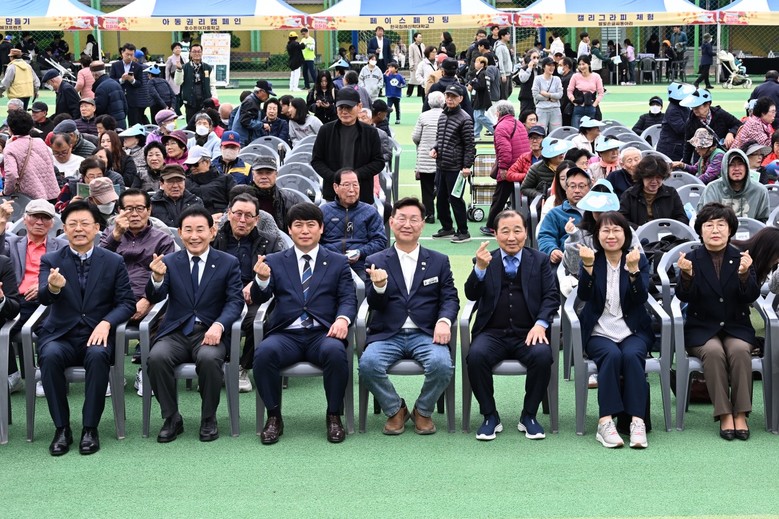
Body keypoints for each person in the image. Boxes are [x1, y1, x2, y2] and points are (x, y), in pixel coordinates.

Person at [252, 203, 358, 444]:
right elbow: (260, 298)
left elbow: (347, 298)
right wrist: (261, 280)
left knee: (335, 352)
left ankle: (333, 415)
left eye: (311, 225)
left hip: (322, 333)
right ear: (289, 229)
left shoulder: (337, 262)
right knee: (264, 353)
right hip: (286, 333)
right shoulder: (275, 260)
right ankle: (274, 417)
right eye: (298, 225)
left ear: (321, 229)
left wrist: (342, 319)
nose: (305, 230)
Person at [37, 201, 135, 456]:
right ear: (64, 229)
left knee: (98, 355)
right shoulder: (51, 259)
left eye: (84, 223)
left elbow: (127, 303)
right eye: (72, 224)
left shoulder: (113, 261)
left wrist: (106, 322)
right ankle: (62, 428)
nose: (78, 229)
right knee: (49, 356)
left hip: (96, 333)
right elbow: (44, 298)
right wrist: (54, 288)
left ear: (97, 228)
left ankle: (90, 428)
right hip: (61, 334)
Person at [359, 197, 458, 435]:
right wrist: (379, 287)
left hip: (426, 333)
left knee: (442, 365)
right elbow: (373, 303)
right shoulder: (375, 261)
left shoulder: (438, 261)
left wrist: (444, 321)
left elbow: (450, 298)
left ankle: (423, 410)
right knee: (368, 365)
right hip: (387, 333)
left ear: (422, 224)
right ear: (391, 222)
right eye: (401, 218)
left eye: (414, 219)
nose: (407, 224)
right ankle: (396, 409)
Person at [146, 205, 243, 443]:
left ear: (212, 231)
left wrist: (219, 325)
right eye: (188, 230)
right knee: (156, 358)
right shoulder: (170, 261)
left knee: (209, 359)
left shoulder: (228, 262)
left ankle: (208, 417)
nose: (194, 236)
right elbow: (156, 296)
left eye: (200, 230)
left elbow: (235, 301)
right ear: (180, 233)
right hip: (176, 331)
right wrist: (157, 278)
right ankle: (171, 418)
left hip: (209, 331)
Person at [464, 210, 557, 441]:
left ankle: (529, 415)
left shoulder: (540, 260)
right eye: (505, 231)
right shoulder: (485, 259)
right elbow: (471, 294)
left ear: (526, 233)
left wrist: (540, 324)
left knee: (542, 356)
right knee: (475, 356)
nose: (512, 237)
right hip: (492, 332)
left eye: (517, 230)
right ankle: (489, 415)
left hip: (529, 332)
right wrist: (480, 269)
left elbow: (551, 296)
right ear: (496, 234)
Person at [676, 203, 759, 440]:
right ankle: (724, 413)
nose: (715, 230)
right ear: (700, 231)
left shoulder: (741, 258)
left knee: (740, 350)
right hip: (702, 328)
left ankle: (741, 413)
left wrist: (744, 275)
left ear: (730, 230)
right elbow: (684, 297)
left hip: (736, 326)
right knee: (713, 352)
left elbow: (751, 296)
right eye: (709, 225)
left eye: (721, 225)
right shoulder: (691, 258)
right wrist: (686, 276)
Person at [576, 211, 652, 448]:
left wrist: (634, 271)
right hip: (599, 331)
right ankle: (605, 422)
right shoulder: (592, 259)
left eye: (616, 230)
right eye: (605, 230)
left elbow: (641, 299)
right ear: (597, 235)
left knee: (632, 355)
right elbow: (584, 295)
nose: (611, 235)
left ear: (626, 234)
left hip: (633, 330)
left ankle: (637, 421)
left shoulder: (637, 259)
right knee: (611, 355)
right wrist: (588, 267)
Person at [211, 193, 284, 393]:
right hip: (219, 296)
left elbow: (281, 270)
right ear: (229, 214)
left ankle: (242, 367)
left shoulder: (269, 241)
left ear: (257, 219)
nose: (242, 220)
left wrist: (256, 282)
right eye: (238, 214)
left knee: (260, 321)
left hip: (254, 298)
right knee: (207, 316)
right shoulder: (214, 238)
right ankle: (216, 364)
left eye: (249, 215)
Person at [0, 200, 64, 395]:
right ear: (25, 219)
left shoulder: (62, 246)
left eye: (45, 217)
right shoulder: (11, 242)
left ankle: (47, 375)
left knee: (52, 327)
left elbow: (70, 274)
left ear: (52, 223)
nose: (39, 221)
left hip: (49, 302)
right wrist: (2, 223)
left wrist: (44, 285)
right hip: (17, 302)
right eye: (35, 216)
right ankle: (11, 375)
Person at [311, 88, 384, 204]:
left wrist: (355, 176)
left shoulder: (370, 132)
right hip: (333, 195)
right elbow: (317, 161)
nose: (344, 112)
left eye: (349, 107)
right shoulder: (326, 130)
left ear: (359, 106)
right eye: (341, 108)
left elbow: (378, 162)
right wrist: (336, 178)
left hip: (363, 194)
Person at [321, 169, 387, 280]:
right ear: (336, 187)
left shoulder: (370, 211)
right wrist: (333, 256)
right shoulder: (323, 211)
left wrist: (360, 252)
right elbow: (315, 242)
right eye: (346, 185)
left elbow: (380, 241)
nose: (352, 190)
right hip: (329, 263)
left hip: (361, 264)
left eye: (355, 185)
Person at [430, 85, 475, 244]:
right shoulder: (443, 115)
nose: (449, 99)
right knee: (441, 199)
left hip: (456, 167)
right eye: (447, 96)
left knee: (455, 199)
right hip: (441, 165)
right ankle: (447, 227)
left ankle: (463, 231)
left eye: (453, 96)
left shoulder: (465, 119)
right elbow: (439, 137)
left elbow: (470, 145)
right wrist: (435, 148)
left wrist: (466, 166)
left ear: (461, 98)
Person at [480, 101, 531, 235]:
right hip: (522, 165)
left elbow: (505, 150)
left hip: (510, 168)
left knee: (499, 198)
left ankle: (492, 225)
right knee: (518, 198)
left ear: (498, 113)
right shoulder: (518, 124)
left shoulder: (501, 127)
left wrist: (503, 168)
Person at [1, 110, 59, 201]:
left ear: (10, 128)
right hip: (51, 193)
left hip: (29, 197)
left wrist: (6, 192)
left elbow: (12, 174)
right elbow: (50, 164)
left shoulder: (10, 148)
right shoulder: (40, 142)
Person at [537, 166, 591, 263]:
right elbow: (545, 236)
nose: (577, 190)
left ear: (589, 188)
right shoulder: (555, 213)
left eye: (581, 186)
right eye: (572, 186)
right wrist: (552, 250)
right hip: (566, 261)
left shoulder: (596, 211)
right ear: (566, 189)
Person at [698, 149, 770, 222]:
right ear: (725, 168)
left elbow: (763, 221)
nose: (737, 168)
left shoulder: (760, 191)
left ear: (746, 167)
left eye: (740, 164)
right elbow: (705, 220)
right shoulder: (712, 189)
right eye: (731, 165)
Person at [618, 155, 689, 228]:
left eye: (658, 177)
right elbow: (622, 220)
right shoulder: (629, 194)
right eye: (650, 177)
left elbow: (682, 217)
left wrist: (669, 228)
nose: (654, 181)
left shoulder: (671, 192)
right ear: (642, 176)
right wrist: (640, 229)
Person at [681, 88, 742, 163]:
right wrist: (685, 164)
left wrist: (731, 133)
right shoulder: (690, 121)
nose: (694, 110)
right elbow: (688, 146)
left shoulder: (720, 114)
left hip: (721, 156)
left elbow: (738, 124)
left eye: (697, 107)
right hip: (701, 159)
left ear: (707, 104)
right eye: (693, 107)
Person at [411, 91, 444, 222]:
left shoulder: (423, 116)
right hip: (442, 157)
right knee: (442, 188)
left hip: (425, 157)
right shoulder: (446, 116)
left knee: (426, 188)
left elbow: (415, 137)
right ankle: (442, 213)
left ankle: (429, 214)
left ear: (429, 103)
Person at [247, 155, 297, 230]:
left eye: (268, 173)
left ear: (276, 174)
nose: (264, 177)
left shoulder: (288, 199)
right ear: (253, 175)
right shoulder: (242, 198)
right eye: (259, 173)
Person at [183, 146, 235, 218]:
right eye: (189, 165)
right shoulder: (185, 182)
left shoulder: (226, 179)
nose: (192, 168)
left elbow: (235, 201)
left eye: (195, 164)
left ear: (207, 162)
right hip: (194, 218)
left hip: (221, 218)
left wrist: (224, 215)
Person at [109, 43, 149, 126]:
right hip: (119, 98)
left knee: (134, 123)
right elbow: (111, 81)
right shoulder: (115, 65)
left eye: (132, 55)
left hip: (133, 99)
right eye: (127, 54)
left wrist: (132, 80)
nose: (129, 57)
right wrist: (121, 80)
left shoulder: (138, 67)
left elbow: (140, 83)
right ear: (122, 53)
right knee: (119, 123)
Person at [521, 137, 572, 201]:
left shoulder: (568, 165)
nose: (561, 155)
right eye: (558, 153)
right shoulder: (535, 168)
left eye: (562, 152)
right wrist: (540, 196)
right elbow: (524, 188)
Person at [656, 82, 695, 161]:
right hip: (671, 149)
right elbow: (682, 129)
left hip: (678, 146)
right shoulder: (673, 110)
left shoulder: (683, 106)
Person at [175, 44, 213, 123]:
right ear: (190, 53)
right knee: (190, 124)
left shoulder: (208, 68)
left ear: (202, 53)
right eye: (194, 51)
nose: (197, 53)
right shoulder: (184, 67)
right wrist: (179, 70)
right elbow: (178, 82)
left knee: (205, 123)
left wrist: (214, 98)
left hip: (205, 102)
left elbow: (212, 85)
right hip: (190, 102)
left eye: (199, 51)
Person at [568, 55, 604, 129]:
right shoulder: (575, 76)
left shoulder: (596, 76)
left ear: (589, 64)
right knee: (576, 130)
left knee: (591, 131)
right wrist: (574, 102)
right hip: (578, 108)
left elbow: (601, 93)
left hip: (591, 107)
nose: (581, 67)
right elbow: (569, 91)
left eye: (583, 64)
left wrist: (594, 104)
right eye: (579, 64)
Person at [235, 79, 275, 146]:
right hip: (243, 141)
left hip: (244, 140)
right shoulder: (250, 102)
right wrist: (262, 125)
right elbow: (245, 121)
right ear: (260, 91)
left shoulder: (253, 101)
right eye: (267, 93)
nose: (268, 97)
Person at [92, 61, 128, 127]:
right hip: (121, 121)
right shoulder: (116, 83)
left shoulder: (101, 88)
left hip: (109, 124)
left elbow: (99, 108)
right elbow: (125, 105)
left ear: (94, 75)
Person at [532, 57, 563, 134]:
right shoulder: (538, 79)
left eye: (553, 65)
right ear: (543, 67)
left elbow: (560, 94)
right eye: (549, 65)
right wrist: (550, 98)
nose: (552, 67)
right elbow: (535, 94)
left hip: (555, 109)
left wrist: (547, 94)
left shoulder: (557, 79)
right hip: (541, 109)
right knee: (540, 132)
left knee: (556, 133)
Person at [468, 56, 493, 138]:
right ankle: (476, 134)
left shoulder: (482, 74)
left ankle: (495, 129)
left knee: (479, 116)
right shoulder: (480, 73)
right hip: (479, 98)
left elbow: (480, 86)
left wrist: (473, 83)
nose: (475, 64)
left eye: (477, 62)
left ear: (482, 64)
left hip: (481, 98)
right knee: (476, 116)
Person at [165, 42, 185, 116]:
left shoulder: (183, 58)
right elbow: (167, 70)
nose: (178, 49)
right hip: (173, 80)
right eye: (176, 48)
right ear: (173, 50)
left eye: (179, 48)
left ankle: (175, 109)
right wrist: (167, 81)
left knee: (182, 97)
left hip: (182, 80)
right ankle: (178, 113)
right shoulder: (170, 59)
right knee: (175, 96)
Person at [517, 50, 539, 115]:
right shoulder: (523, 69)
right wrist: (529, 68)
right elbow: (523, 79)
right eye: (534, 57)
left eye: (537, 57)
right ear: (529, 58)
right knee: (524, 115)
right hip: (526, 97)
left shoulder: (539, 69)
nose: (536, 59)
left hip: (537, 97)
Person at [407, 33, 425, 97]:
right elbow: (410, 56)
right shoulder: (412, 46)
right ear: (415, 38)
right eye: (419, 37)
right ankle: (409, 93)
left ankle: (419, 93)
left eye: (421, 37)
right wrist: (411, 65)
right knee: (412, 79)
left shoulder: (422, 45)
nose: (421, 38)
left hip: (422, 64)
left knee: (421, 78)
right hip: (415, 64)